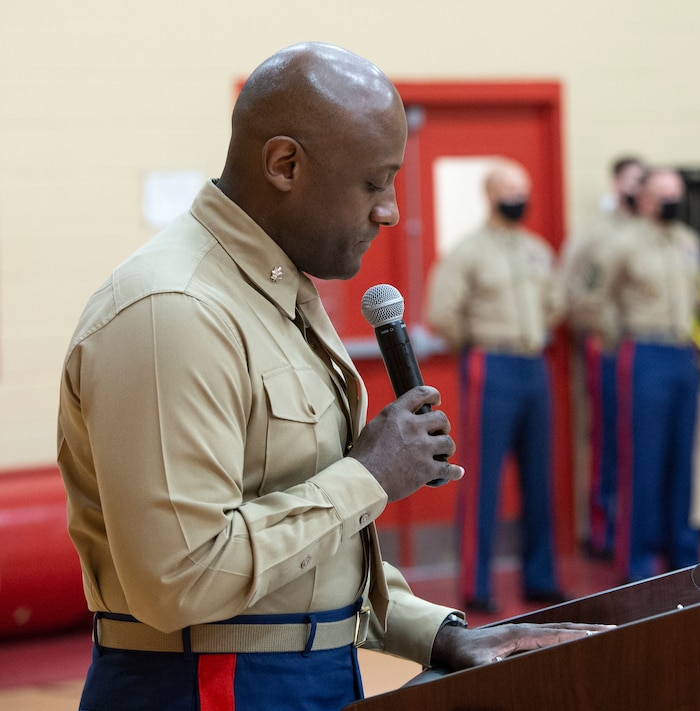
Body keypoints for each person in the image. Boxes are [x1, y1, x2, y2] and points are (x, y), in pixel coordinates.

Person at [56, 42, 604, 711]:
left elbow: (301, 557)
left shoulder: (274, 291)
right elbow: (181, 577)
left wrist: (432, 630)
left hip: (302, 670)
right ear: (285, 164)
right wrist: (368, 476)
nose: (391, 212)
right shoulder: (173, 310)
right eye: (373, 183)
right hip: (206, 686)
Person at [426, 159, 567, 614]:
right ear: (491, 195)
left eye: (524, 189)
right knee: (483, 477)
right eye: (510, 190)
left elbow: (554, 304)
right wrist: (475, 343)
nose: (519, 198)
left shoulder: (537, 249)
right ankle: (476, 582)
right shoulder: (467, 251)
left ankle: (540, 576)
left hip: (532, 364)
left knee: (538, 477)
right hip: (491, 363)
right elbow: (443, 312)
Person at [600, 167, 700, 583]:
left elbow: (698, 296)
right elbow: (593, 298)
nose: (673, 201)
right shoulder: (622, 244)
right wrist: (618, 342)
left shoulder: (688, 242)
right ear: (644, 198)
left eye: (677, 193)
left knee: (682, 459)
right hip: (643, 352)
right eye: (664, 194)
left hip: (683, 354)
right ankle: (637, 561)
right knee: (641, 460)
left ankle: (681, 552)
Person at [561, 155, 645, 559]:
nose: (638, 188)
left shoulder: (652, 231)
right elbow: (574, 289)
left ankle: (637, 527)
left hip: (648, 349)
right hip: (609, 347)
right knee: (606, 439)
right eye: (632, 180)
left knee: (641, 440)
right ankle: (602, 529)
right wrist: (607, 330)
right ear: (617, 184)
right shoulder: (596, 234)